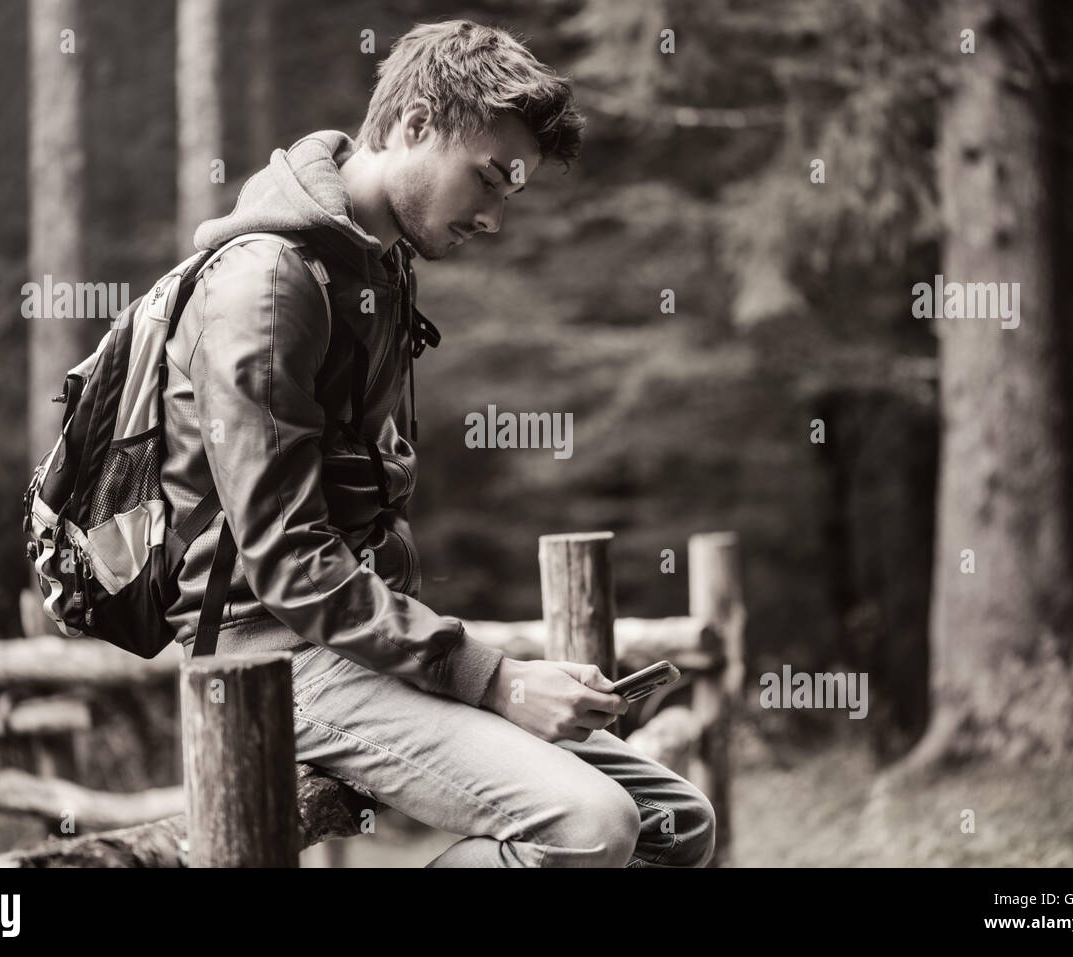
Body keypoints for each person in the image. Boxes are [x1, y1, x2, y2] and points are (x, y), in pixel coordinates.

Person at [160, 18, 716, 867]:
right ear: (416, 123)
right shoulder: (268, 287)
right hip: (272, 661)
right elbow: (285, 560)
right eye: (488, 179)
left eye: (511, 195)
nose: (494, 218)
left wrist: (475, 667)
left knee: (679, 824)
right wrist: (497, 678)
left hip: (360, 641)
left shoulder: (376, 264)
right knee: (592, 824)